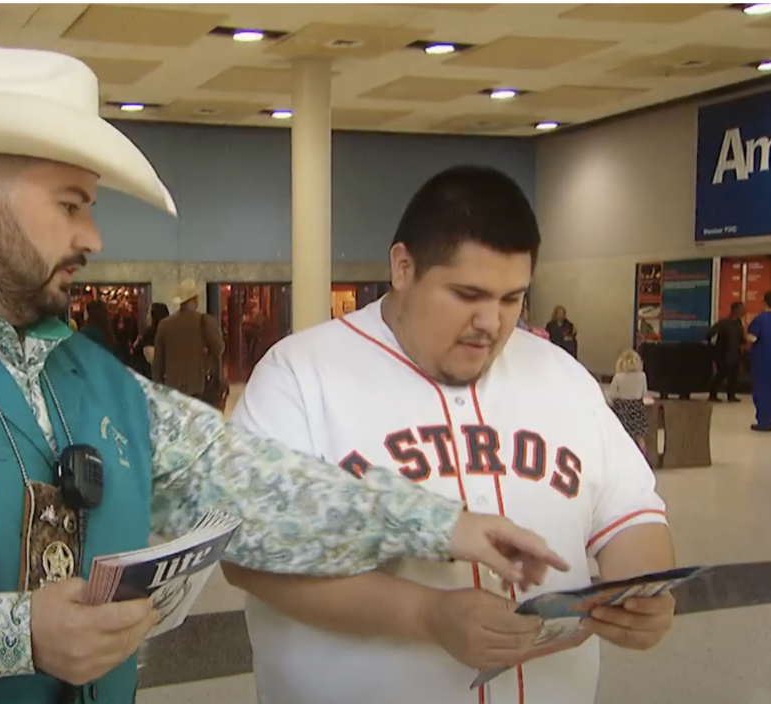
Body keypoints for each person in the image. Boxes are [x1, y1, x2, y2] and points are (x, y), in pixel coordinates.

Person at [0, 49, 565, 704]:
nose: (94, 237)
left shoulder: (97, 382)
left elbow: (258, 490)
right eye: (72, 203)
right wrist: (17, 631)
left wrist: (445, 524)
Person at [226, 165, 674, 704]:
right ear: (403, 267)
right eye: (467, 294)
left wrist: (643, 592)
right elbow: (247, 554)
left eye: (512, 299)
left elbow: (632, 515)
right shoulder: (301, 375)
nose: (492, 322)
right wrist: (426, 613)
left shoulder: (561, 376)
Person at [153, 280, 224, 402]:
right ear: (195, 300)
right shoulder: (204, 321)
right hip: (198, 385)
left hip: (172, 386)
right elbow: (219, 349)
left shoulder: (164, 324)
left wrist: (158, 386)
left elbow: (158, 362)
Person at [606, 349, 650, 453]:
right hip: (637, 408)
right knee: (639, 437)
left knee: (621, 435)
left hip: (622, 409)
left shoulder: (618, 377)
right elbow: (644, 393)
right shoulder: (642, 376)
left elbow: (612, 394)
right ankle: (642, 456)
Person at [706, 301, 746, 403]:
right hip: (723, 353)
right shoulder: (724, 323)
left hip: (735, 353)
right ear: (735, 310)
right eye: (742, 308)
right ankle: (713, 394)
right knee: (721, 373)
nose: (744, 310)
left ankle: (731, 395)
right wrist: (711, 345)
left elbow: (741, 338)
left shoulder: (739, 323)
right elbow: (710, 333)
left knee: (734, 375)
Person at [747, 291, 771, 431]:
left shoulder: (761, 319)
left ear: (764, 302)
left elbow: (752, 338)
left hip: (764, 361)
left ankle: (764, 422)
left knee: (763, 392)